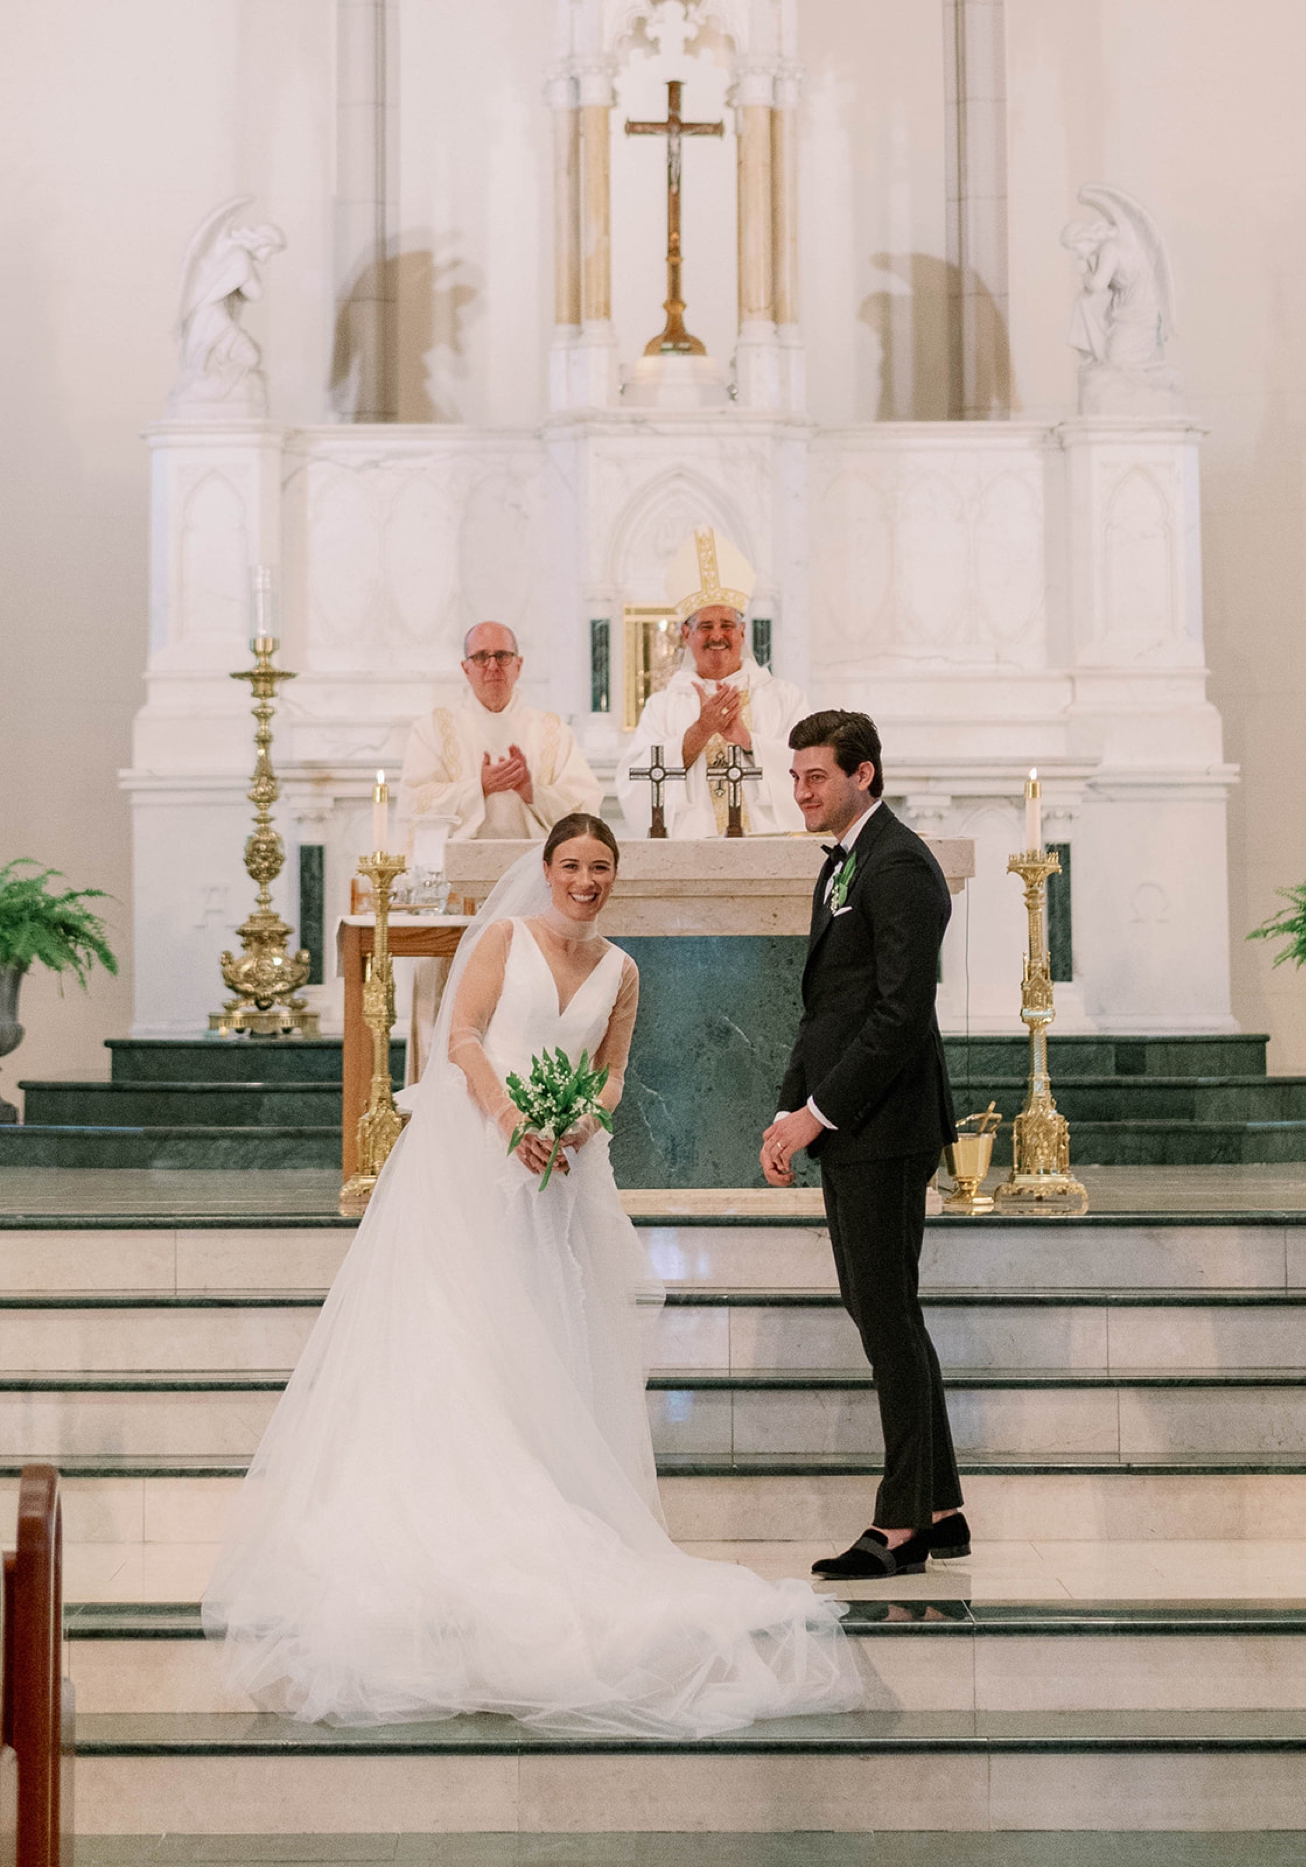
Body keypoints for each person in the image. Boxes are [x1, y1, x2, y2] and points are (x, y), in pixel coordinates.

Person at [204, 813, 857, 1736]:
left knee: (542, 1330)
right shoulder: (505, 938)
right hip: (474, 1154)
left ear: (613, 876)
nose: (584, 880)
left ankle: (546, 1488)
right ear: (546, 869)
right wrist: (511, 1117)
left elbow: (615, 1075)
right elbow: (462, 1035)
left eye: (599, 867)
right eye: (571, 865)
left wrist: (581, 1119)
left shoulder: (624, 971)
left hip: (559, 1173)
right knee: (460, 1327)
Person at [761, 711, 970, 1581]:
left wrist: (819, 1115)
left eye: (817, 776)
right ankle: (944, 1509)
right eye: (797, 776)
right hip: (851, 1121)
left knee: (886, 1319)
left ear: (865, 773)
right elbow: (831, 1006)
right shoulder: (848, 859)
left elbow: (897, 1015)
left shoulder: (900, 864)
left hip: (882, 1126)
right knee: (885, 1313)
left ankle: (899, 1526)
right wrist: (788, 1109)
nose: (801, 791)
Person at [396, 620, 603, 1076]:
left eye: (502, 657)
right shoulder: (434, 728)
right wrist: (478, 787)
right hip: (454, 897)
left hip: (530, 901)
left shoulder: (549, 731)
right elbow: (414, 802)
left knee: (523, 1012)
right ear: (465, 668)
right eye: (482, 658)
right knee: (448, 1009)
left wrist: (532, 790)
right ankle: (443, 1098)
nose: (493, 667)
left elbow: (585, 806)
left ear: (519, 665)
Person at [615, 527, 807, 838]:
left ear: (742, 633)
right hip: (691, 850)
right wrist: (700, 731)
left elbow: (811, 771)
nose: (717, 635)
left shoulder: (786, 698)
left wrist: (747, 741)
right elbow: (634, 783)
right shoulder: (662, 706)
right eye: (705, 626)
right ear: (686, 635)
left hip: (769, 846)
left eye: (727, 625)